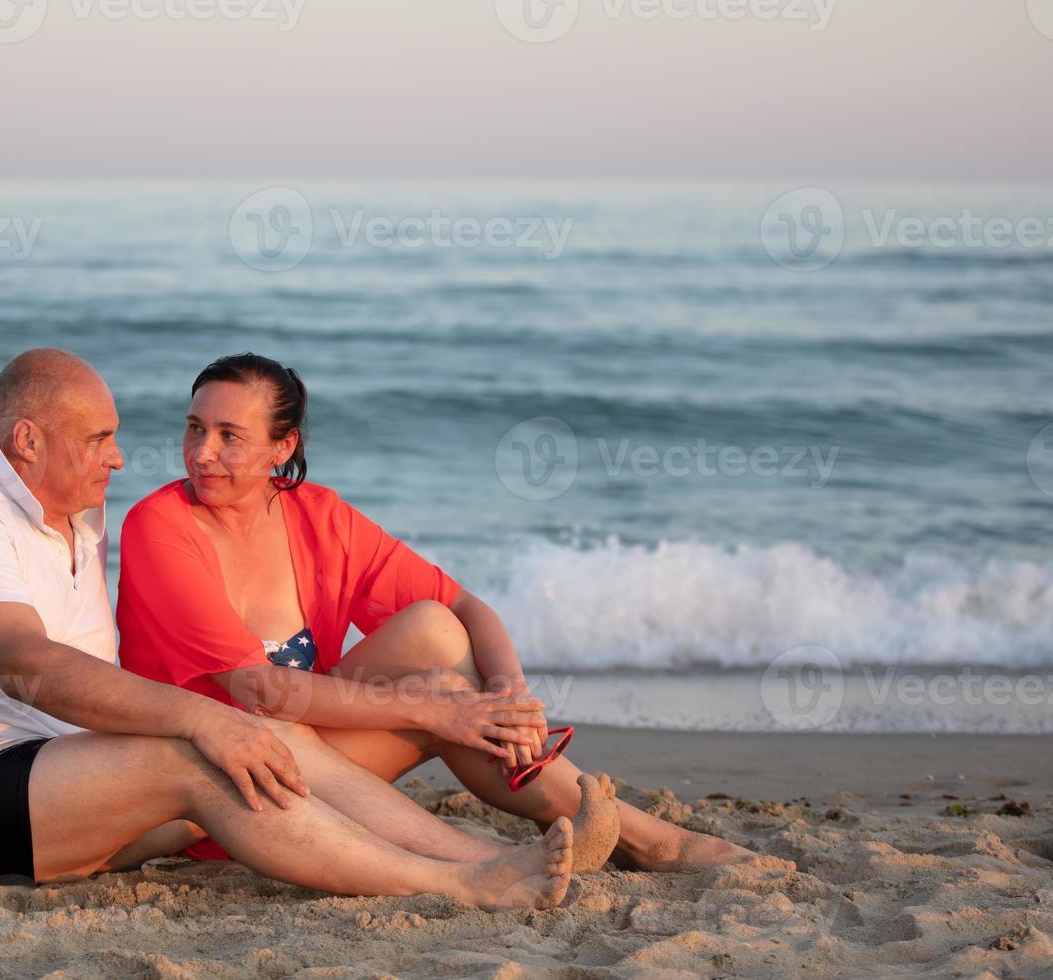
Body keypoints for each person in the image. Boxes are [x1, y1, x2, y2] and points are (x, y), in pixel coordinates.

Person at [0, 347, 598, 909]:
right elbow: (23, 663)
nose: (121, 456)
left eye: (118, 435)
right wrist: (207, 720)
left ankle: (498, 858)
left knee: (272, 740)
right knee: (206, 753)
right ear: (28, 441)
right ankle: (464, 885)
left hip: (56, 782)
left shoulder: (69, 519)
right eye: (98, 438)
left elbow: (453, 609)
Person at [117, 353, 792, 873]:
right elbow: (256, 689)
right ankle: (645, 838)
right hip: (217, 791)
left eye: (230, 435)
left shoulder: (317, 518)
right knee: (440, 698)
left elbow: (466, 606)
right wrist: (434, 711)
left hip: (315, 762)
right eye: (195, 428)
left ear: (281, 447)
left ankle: (612, 823)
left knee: (437, 633)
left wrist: (509, 695)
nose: (202, 452)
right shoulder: (159, 528)